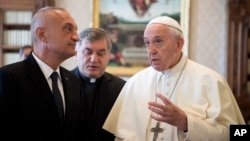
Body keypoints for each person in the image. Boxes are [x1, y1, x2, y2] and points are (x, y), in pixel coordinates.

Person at [103, 16, 246, 141]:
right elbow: (122, 136)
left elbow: (237, 135)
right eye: (147, 42)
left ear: (179, 44)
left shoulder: (212, 81)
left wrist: (186, 123)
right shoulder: (136, 82)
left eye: (158, 41)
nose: (151, 50)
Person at [0, 7, 83, 140]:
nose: (76, 37)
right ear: (42, 34)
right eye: (68, 28)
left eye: (75, 30)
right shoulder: (9, 77)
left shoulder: (73, 80)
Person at [72, 27, 126, 141]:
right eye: (88, 52)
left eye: (101, 53)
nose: (94, 59)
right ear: (76, 54)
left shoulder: (123, 88)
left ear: (108, 56)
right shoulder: (62, 83)